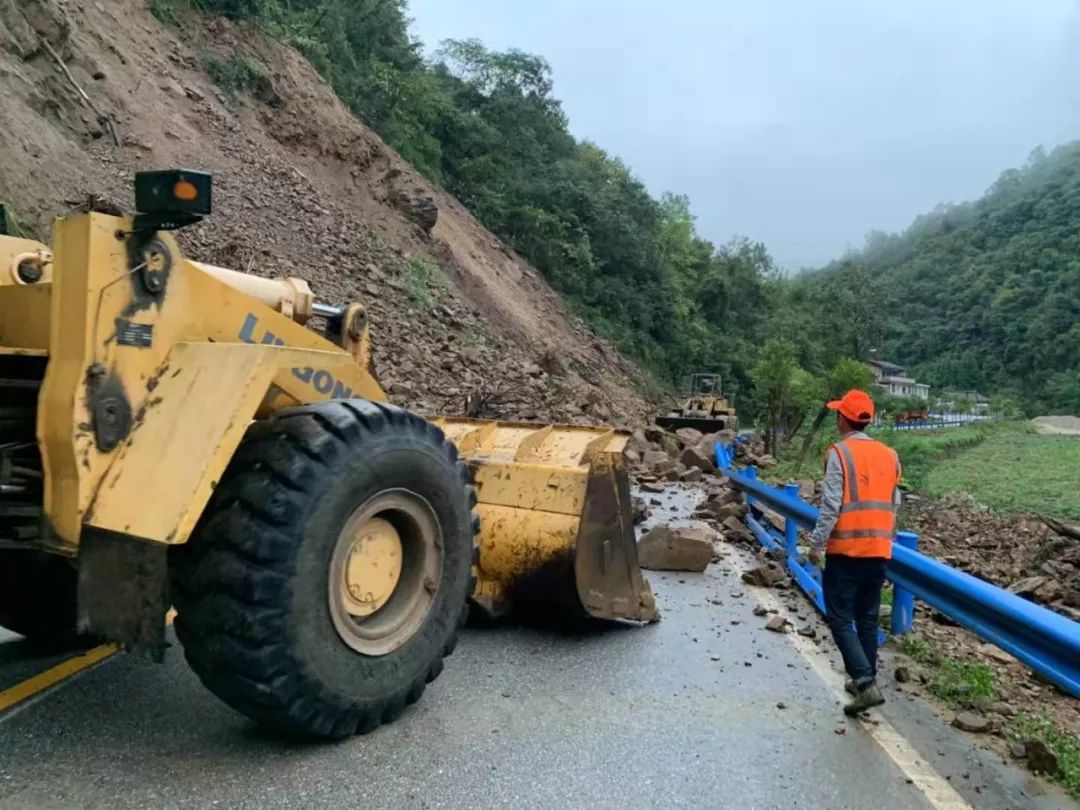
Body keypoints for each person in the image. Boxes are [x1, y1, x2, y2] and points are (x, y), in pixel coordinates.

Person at [807, 389, 901, 716]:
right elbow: (894, 503)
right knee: (867, 616)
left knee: (839, 616)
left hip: (846, 551)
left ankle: (863, 680)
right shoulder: (889, 455)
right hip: (878, 551)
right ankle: (867, 679)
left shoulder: (840, 454)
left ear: (843, 419)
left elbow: (831, 505)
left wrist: (816, 545)